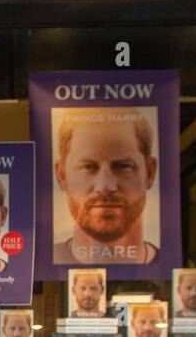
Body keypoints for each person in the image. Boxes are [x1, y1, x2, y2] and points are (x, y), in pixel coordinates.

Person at [53, 109, 159, 265]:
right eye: (89, 167)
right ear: (62, 175)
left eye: (122, 166)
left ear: (150, 173)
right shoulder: (39, 264)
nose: (105, 186)